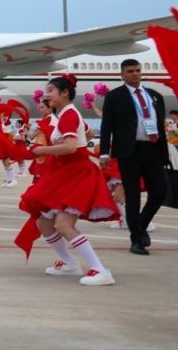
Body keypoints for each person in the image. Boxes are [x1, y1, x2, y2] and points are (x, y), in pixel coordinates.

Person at [21, 75, 116, 285]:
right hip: (64, 173)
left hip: (76, 174)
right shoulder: (68, 114)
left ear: (65, 93)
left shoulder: (68, 114)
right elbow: (87, 135)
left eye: (51, 91)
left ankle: (100, 269)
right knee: (44, 222)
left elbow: (71, 147)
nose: (47, 96)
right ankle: (69, 263)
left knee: (63, 224)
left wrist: (40, 149)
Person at [98, 58, 169, 255]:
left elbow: (160, 125)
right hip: (129, 152)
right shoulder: (114, 96)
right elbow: (106, 127)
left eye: (137, 70)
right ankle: (136, 240)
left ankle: (140, 224)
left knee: (159, 192)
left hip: (153, 150)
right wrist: (104, 152)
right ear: (122, 74)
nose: (135, 74)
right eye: (130, 71)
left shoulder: (154, 96)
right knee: (133, 196)